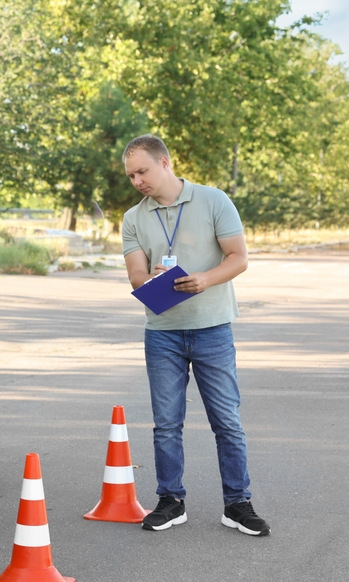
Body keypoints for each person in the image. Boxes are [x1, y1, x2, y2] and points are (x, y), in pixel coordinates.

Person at [121, 134, 269, 536]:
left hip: (212, 328)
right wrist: (150, 278)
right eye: (131, 175)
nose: (137, 181)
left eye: (142, 171)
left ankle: (237, 504)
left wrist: (205, 279)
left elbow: (239, 258)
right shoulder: (133, 218)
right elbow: (135, 276)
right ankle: (171, 501)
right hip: (162, 333)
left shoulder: (213, 200)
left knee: (227, 422)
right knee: (166, 424)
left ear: (164, 162)